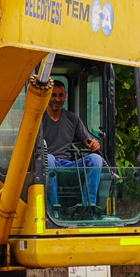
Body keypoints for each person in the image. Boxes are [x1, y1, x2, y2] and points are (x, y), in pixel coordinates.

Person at [36, 80, 104, 210]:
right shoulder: (39, 118)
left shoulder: (72, 118)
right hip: (46, 165)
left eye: (61, 95)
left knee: (96, 159)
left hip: (67, 165)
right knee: (49, 158)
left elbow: (88, 141)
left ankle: (88, 207)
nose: (57, 99)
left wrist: (94, 144)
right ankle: (53, 208)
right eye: (54, 95)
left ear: (65, 96)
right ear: (48, 96)